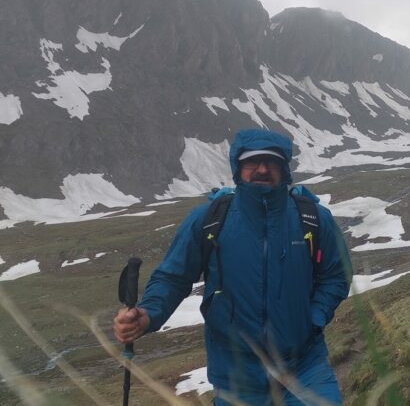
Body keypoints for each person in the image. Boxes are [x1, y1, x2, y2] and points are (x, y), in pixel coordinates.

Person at [113, 128, 351, 405]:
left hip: (304, 366)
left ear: (284, 168)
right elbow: (173, 277)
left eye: (271, 161)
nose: (262, 168)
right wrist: (148, 314)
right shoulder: (210, 219)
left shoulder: (312, 218)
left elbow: (336, 275)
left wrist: (314, 318)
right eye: (252, 161)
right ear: (238, 168)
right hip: (236, 376)